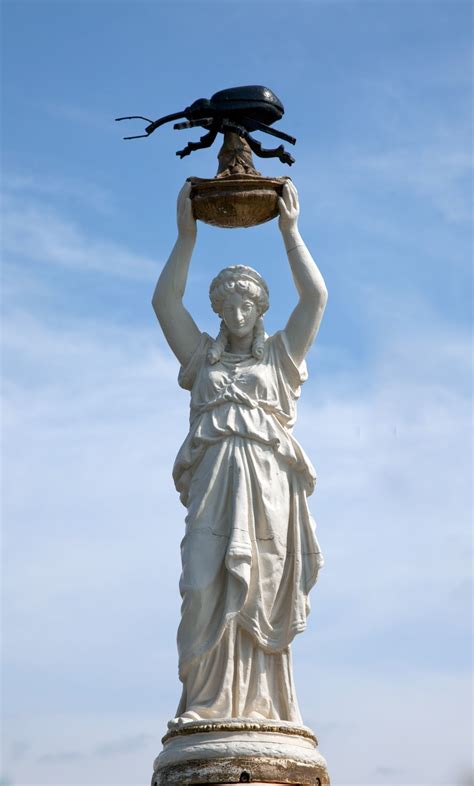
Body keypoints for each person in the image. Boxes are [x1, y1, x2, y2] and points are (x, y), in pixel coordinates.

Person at [152, 180, 328, 723]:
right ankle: (205, 704)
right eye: (227, 304)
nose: (237, 312)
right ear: (218, 309)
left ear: (260, 308)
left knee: (261, 589)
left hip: (266, 484)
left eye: (247, 303)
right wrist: (186, 237)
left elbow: (316, 298)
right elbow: (164, 302)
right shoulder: (201, 357)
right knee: (200, 585)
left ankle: (266, 708)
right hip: (211, 483)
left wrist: (290, 233)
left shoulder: (280, 357)